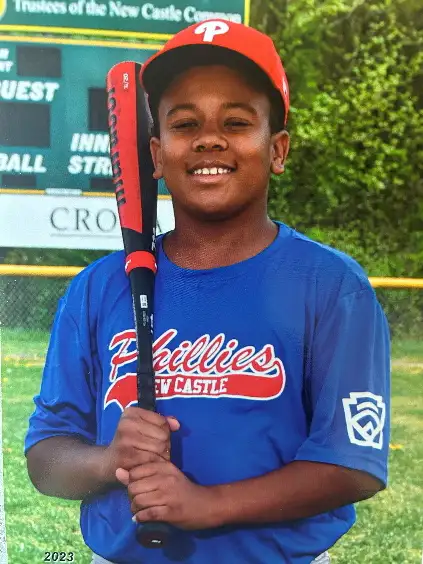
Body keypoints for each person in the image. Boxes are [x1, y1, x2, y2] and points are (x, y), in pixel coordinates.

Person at [25, 19, 391, 564]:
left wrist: (208, 504)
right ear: (154, 153)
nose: (209, 138)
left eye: (238, 121)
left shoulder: (331, 285)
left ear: (278, 149)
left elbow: (352, 464)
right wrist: (110, 462)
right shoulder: (97, 289)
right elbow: (46, 458)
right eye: (184, 122)